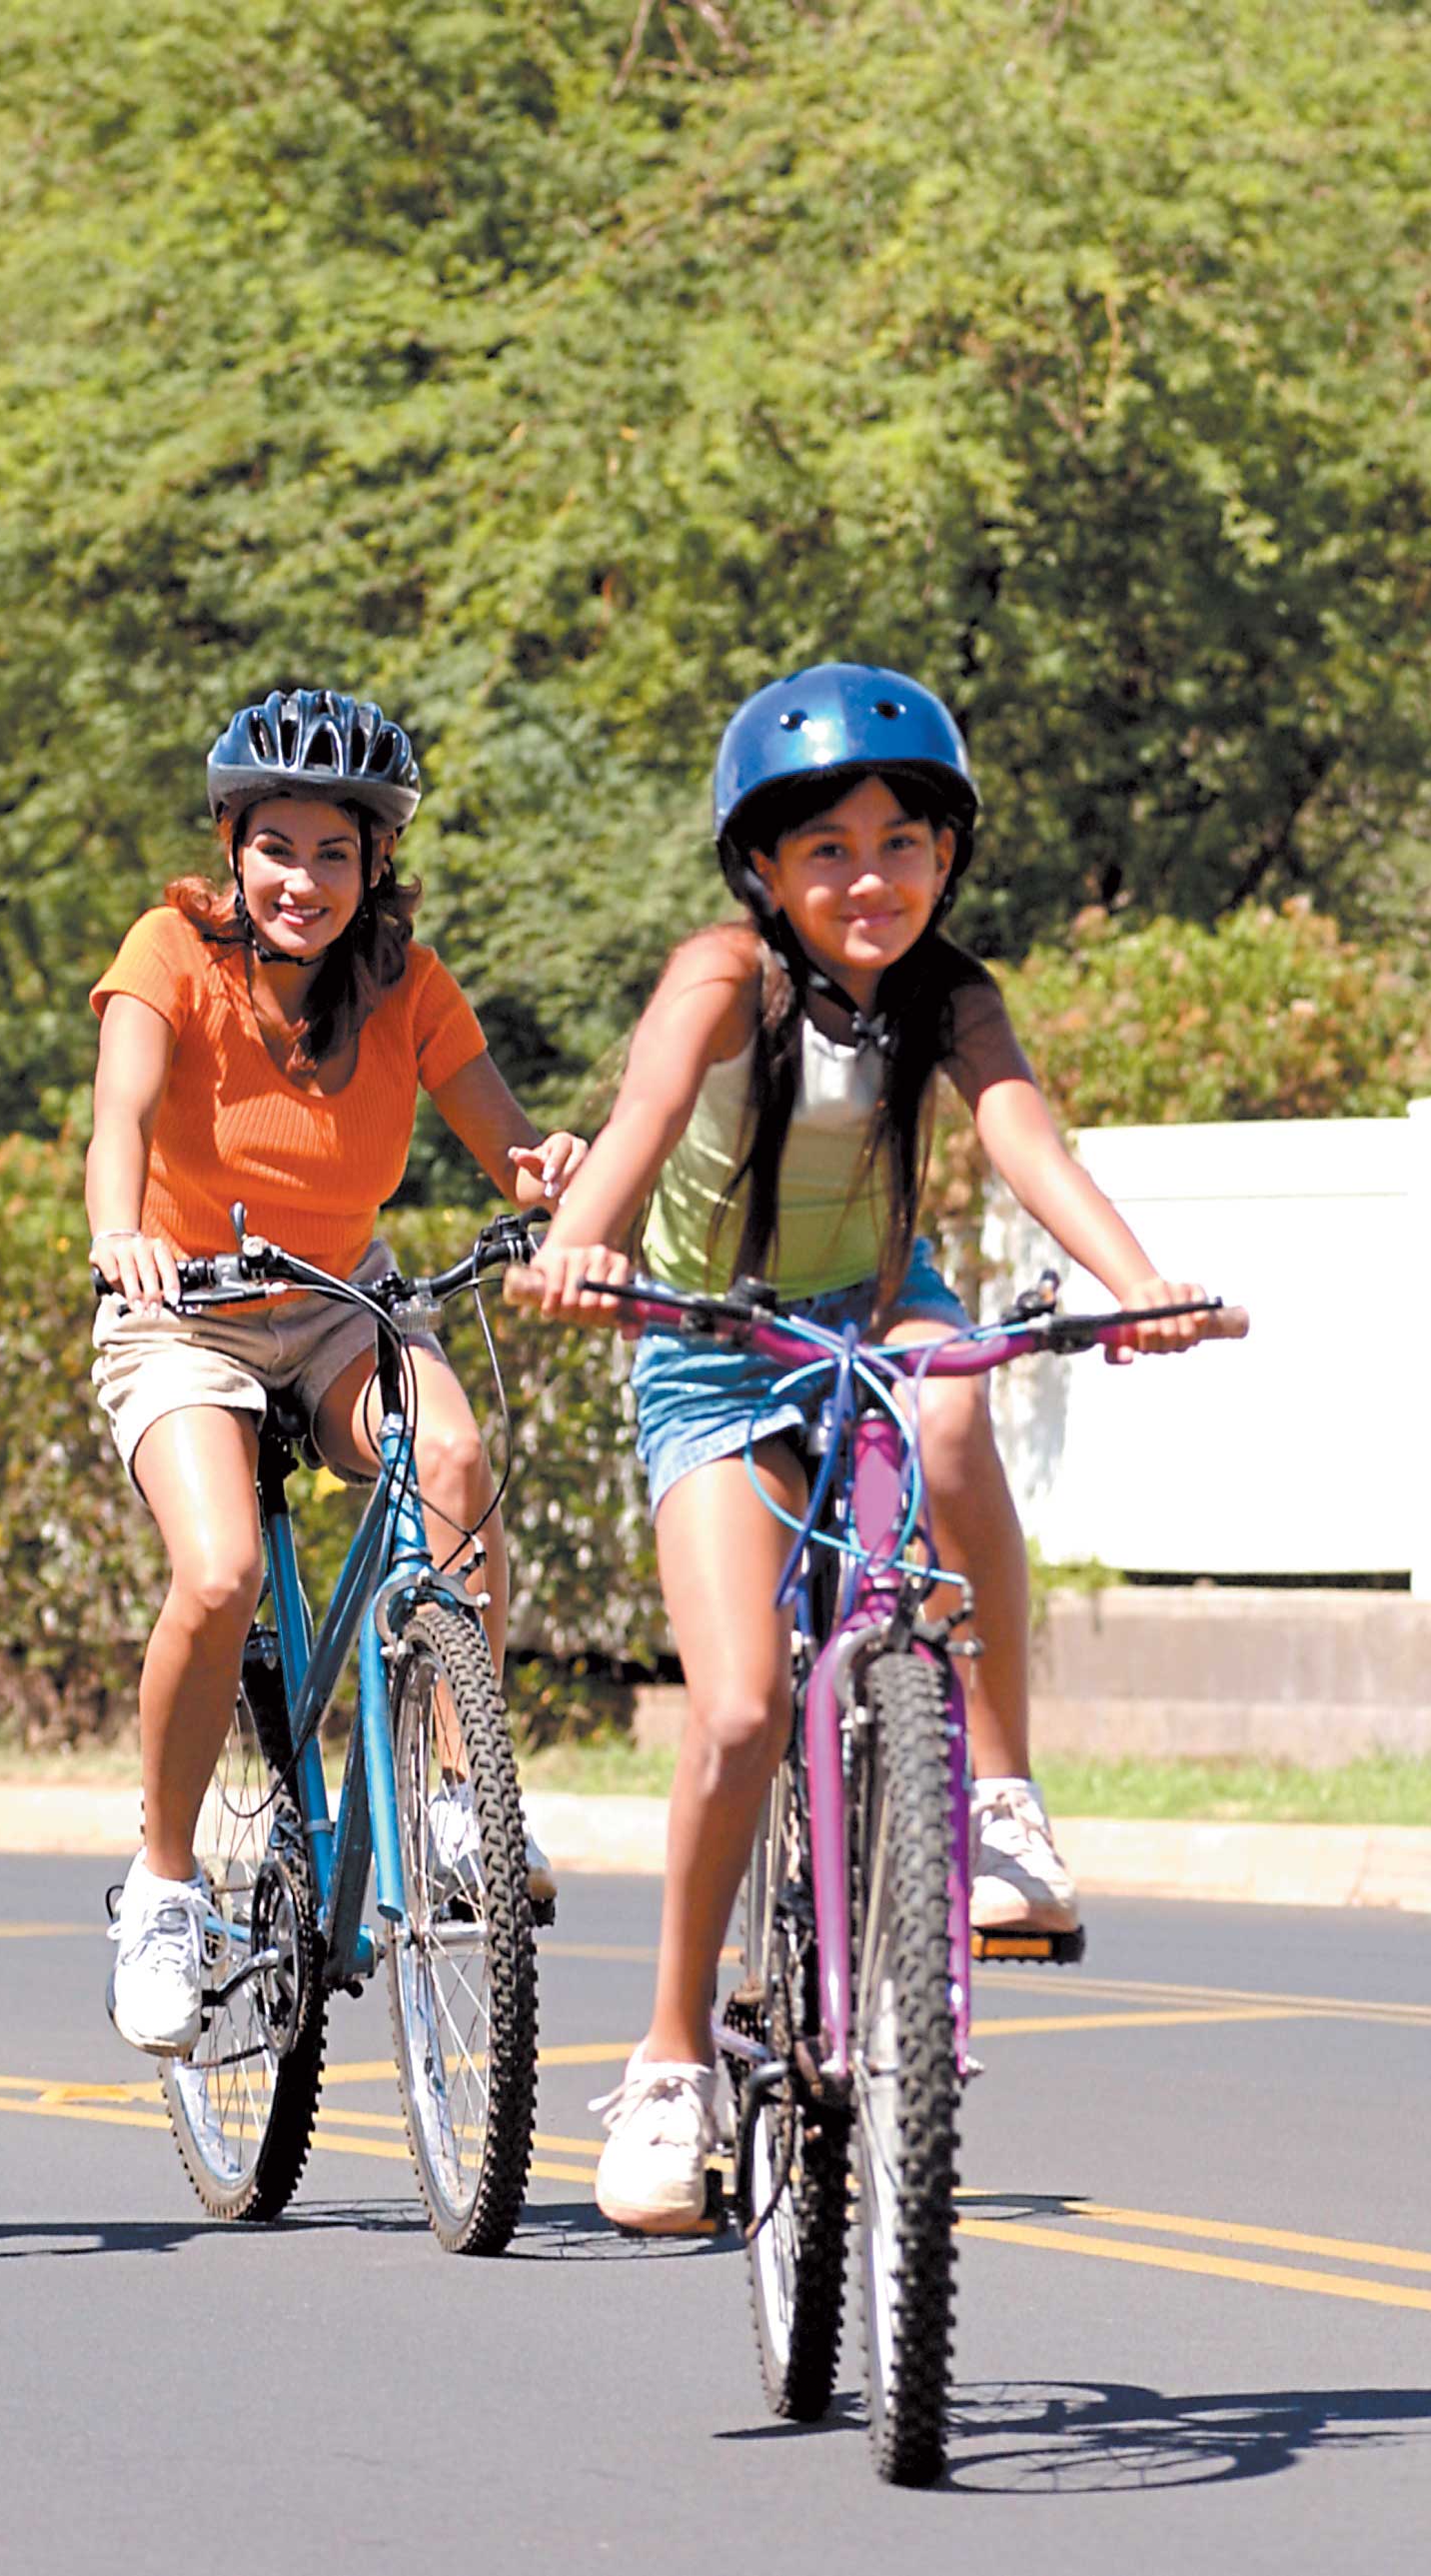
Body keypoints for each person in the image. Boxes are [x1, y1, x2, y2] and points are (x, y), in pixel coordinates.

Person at [510, 664, 1229, 2232]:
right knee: (740, 1708)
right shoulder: (721, 975)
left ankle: (1001, 1800)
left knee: (955, 1397)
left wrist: (1140, 1284)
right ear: (761, 870)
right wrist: (579, 1245)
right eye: (825, 846)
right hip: (706, 1342)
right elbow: (636, 1119)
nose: (870, 876)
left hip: (874, 1302)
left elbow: (1022, 1135)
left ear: (948, 859)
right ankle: (671, 2058)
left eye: (905, 840)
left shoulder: (952, 997)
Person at [84, 688, 588, 2056]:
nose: (302, 880)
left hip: (331, 1302)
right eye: (277, 846)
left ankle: (452, 1804)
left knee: (455, 1459)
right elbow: (120, 1109)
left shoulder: (407, 985)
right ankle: (167, 1889)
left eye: (334, 853)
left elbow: (500, 1130)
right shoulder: (169, 953)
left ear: (374, 868)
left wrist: (545, 1171)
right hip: (180, 1305)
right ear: (232, 844)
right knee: (220, 1570)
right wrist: (118, 1231)